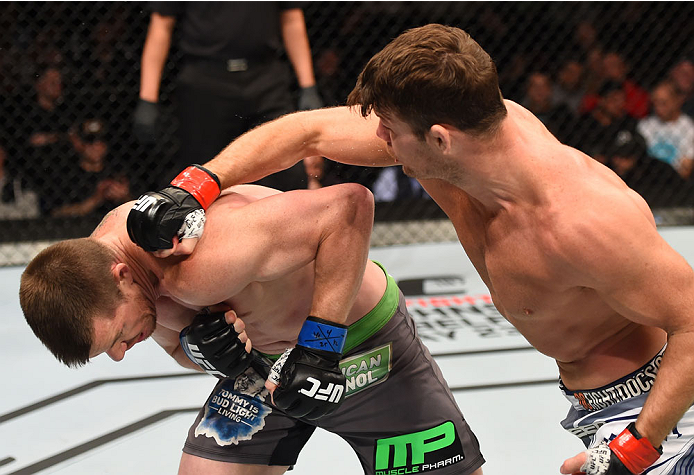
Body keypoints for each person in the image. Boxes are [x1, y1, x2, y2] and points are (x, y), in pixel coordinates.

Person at [126, 24, 694, 475]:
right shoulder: (461, 147)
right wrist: (196, 186)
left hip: (662, 402)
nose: (380, 143)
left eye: (391, 131)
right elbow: (307, 133)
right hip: (595, 402)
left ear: (440, 138)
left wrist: (638, 447)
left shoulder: (579, 223)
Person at [20, 179, 485, 475]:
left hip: (360, 344)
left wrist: (319, 345)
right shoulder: (106, 262)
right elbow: (179, 352)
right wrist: (203, 353)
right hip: (262, 369)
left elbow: (349, 207)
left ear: (121, 276)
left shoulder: (204, 258)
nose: (121, 353)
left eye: (115, 338)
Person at [133, 1, 324, 191]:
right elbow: (161, 25)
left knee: (287, 173)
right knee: (201, 177)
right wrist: (148, 97)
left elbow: (292, 19)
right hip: (206, 80)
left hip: (265, 77)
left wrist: (308, 85)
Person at [637, 80, 694, 180]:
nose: (658, 108)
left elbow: (686, 169)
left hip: (674, 181)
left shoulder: (689, 128)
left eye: (663, 103)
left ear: (677, 100)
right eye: (655, 103)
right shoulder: (644, 125)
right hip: (646, 178)